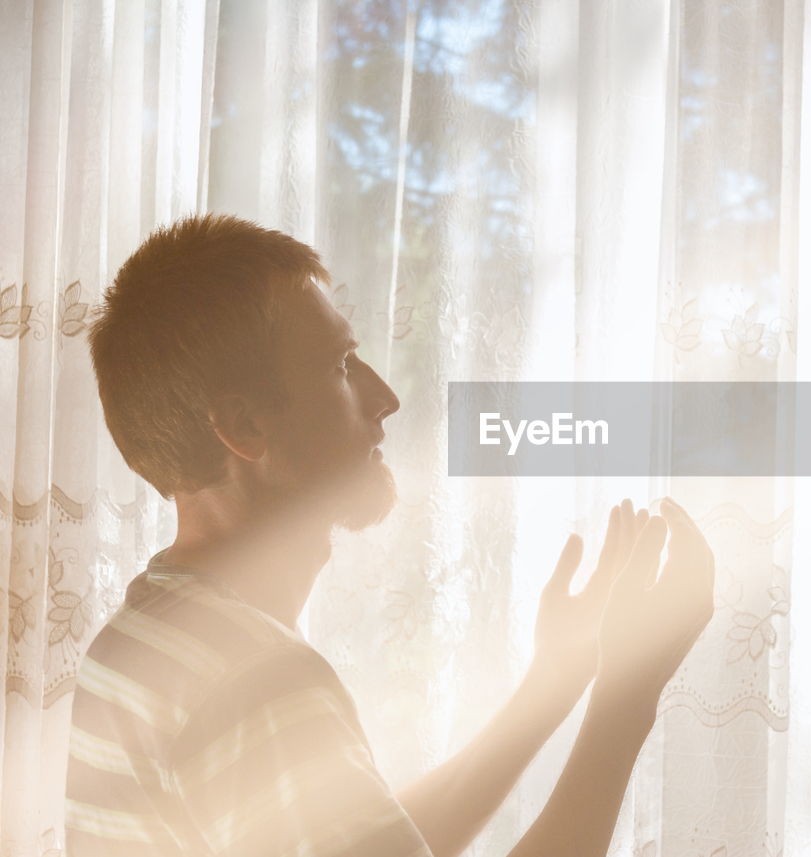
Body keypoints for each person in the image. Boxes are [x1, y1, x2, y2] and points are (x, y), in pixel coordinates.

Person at [65, 213, 716, 857]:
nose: (385, 397)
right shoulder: (258, 681)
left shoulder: (139, 644)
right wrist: (628, 698)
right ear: (243, 424)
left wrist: (556, 678)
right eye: (341, 365)